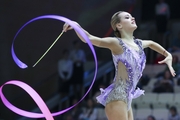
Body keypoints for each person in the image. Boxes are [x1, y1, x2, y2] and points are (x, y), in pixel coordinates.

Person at [63, 11, 176, 120]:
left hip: (127, 98)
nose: (132, 18)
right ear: (119, 25)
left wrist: (167, 54)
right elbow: (90, 39)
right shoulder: (116, 43)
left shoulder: (139, 44)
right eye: (127, 17)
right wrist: (76, 25)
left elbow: (151, 43)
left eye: (132, 16)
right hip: (117, 96)